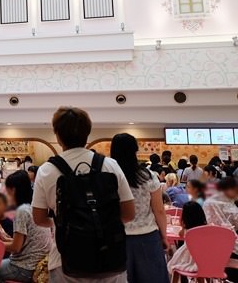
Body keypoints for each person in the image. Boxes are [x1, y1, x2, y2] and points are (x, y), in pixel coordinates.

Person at [31, 107, 134, 283]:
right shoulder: (110, 165)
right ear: (87, 133)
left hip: (65, 260)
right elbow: (129, 214)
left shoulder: (47, 170)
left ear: (57, 135)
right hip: (109, 257)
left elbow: (39, 218)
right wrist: (101, 222)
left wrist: (64, 222)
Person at [110, 133, 168, 283]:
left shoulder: (108, 176)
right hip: (147, 236)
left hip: (115, 238)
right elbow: (159, 210)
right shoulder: (147, 175)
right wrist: (164, 236)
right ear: (135, 150)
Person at [0, 171, 51, 283]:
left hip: (26, 267)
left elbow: (16, 247)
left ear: (13, 190)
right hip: (40, 262)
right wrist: (6, 239)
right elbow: (28, 240)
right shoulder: (35, 206)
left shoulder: (21, 211)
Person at [167, 202, 207, 282]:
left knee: (174, 265)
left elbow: (180, 234)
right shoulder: (205, 228)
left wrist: (182, 225)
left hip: (188, 256)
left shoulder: (187, 230)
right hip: (202, 258)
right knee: (199, 272)